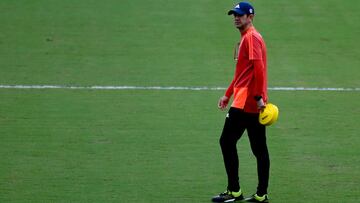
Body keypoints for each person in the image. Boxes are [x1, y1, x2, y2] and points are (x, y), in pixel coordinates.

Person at [211, 2, 270, 203]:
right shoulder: (247, 38)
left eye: (240, 15)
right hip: (247, 100)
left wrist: (259, 97)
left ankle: (234, 191)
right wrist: (227, 94)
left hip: (247, 102)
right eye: (234, 15)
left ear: (250, 17)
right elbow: (243, 74)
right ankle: (261, 195)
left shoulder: (251, 38)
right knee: (259, 149)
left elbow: (259, 69)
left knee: (227, 142)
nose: (236, 18)